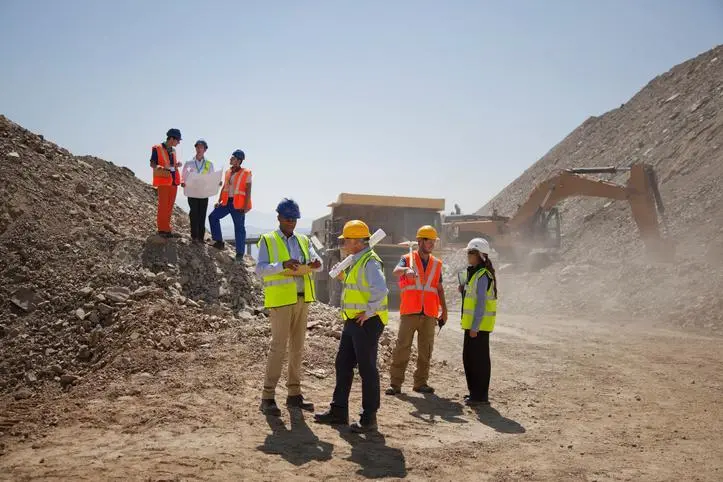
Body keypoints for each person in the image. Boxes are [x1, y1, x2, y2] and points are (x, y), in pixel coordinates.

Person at [314, 220, 389, 433]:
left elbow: (381, 290)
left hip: (366, 322)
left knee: (367, 369)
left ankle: (369, 418)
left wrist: (369, 312)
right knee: (343, 364)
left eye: (346, 240)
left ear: (357, 241)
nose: (344, 243)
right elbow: (359, 285)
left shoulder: (370, 262)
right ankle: (338, 411)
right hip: (353, 320)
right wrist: (343, 276)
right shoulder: (358, 260)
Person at [256, 198, 323, 416]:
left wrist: (314, 265)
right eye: (288, 218)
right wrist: (282, 265)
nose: (291, 222)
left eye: (294, 219)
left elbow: (318, 263)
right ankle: (267, 397)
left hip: (302, 299)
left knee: (297, 348)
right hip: (281, 301)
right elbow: (261, 269)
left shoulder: (304, 240)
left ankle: (294, 394)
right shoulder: (268, 239)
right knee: (278, 348)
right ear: (279, 218)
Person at [386, 225, 448, 396]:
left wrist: (445, 310)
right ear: (420, 241)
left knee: (426, 350)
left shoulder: (437, 264)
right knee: (402, 348)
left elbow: (439, 289)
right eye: (428, 240)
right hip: (410, 311)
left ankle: (421, 383)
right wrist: (407, 270)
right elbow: (396, 272)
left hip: (429, 313)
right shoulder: (407, 259)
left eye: (433, 241)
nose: (432, 244)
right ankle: (395, 384)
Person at [459, 238, 498, 406]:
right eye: (468, 253)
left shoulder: (483, 276)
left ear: (480, 255)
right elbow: (472, 298)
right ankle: (474, 393)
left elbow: (481, 303)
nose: (468, 256)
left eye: (471, 253)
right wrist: (463, 290)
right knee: (468, 359)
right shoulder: (474, 274)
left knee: (479, 361)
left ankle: (481, 396)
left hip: (479, 328)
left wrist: (475, 327)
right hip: (471, 327)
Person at [208, 149, 252, 262]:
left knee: (239, 228)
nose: (230, 159)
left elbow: (248, 191)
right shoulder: (228, 172)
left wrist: (246, 206)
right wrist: (219, 200)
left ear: (238, 160)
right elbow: (225, 187)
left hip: (238, 205)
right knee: (213, 217)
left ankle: (240, 254)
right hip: (227, 202)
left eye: (232, 158)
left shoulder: (246, 172)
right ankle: (218, 242)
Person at [150, 128, 183, 237]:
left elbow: (171, 164)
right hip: (163, 180)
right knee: (163, 205)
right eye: (178, 140)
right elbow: (152, 163)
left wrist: (176, 165)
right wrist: (158, 166)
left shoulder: (173, 151)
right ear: (172, 138)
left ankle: (167, 228)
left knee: (169, 206)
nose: (178, 143)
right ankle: (162, 229)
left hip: (173, 181)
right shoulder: (157, 148)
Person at [181, 139, 215, 243]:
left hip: (204, 193)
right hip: (192, 192)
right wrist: (183, 182)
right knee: (194, 213)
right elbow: (183, 176)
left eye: (201, 147)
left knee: (202, 214)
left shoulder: (209, 164)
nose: (199, 149)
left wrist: (216, 183)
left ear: (205, 150)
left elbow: (212, 178)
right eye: (197, 147)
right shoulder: (189, 163)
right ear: (195, 148)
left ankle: (201, 237)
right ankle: (194, 236)